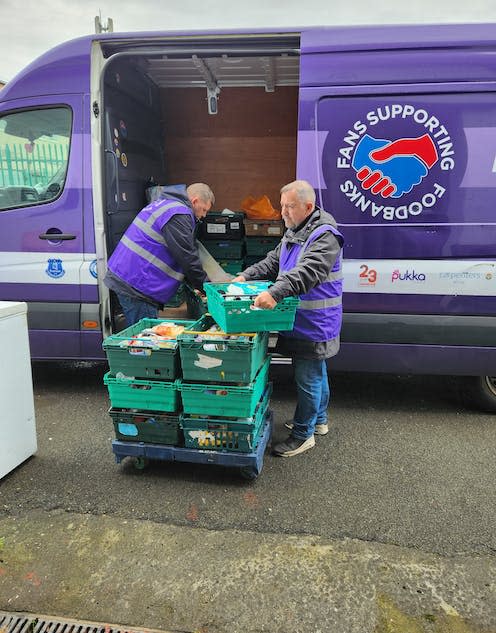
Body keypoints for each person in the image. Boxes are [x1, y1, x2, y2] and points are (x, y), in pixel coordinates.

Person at [232, 180, 344, 457]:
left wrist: (275, 293)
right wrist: (246, 275)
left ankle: (303, 435)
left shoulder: (324, 235)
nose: (283, 212)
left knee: (309, 377)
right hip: (300, 320)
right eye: (282, 206)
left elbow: (308, 271)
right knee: (316, 372)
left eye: (289, 207)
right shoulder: (296, 230)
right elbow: (274, 261)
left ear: (308, 207)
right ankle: (318, 421)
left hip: (316, 322)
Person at [104, 183, 215, 327]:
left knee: (142, 337)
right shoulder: (179, 213)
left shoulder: (166, 204)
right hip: (138, 285)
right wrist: (208, 288)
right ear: (194, 201)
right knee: (145, 341)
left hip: (131, 277)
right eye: (204, 210)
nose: (203, 215)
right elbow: (187, 257)